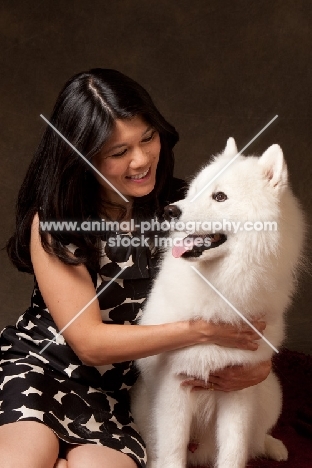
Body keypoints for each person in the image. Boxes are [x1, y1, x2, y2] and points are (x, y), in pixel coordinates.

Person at [0, 69, 270, 468]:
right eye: (117, 152)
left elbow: (243, 294)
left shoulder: (187, 204)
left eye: (147, 138)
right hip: (42, 369)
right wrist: (200, 331)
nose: (142, 160)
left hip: (123, 393)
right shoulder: (58, 219)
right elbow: (89, 343)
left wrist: (257, 365)